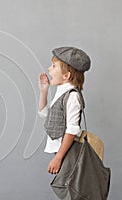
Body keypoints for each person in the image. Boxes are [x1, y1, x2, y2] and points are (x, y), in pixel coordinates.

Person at [38, 47, 91, 175]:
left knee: (70, 189)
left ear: (66, 75)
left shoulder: (72, 96)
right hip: (62, 151)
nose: (49, 69)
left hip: (67, 152)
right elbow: (44, 113)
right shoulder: (62, 91)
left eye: (54, 66)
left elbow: (72, 129)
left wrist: (58, 158)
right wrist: (43, 91)